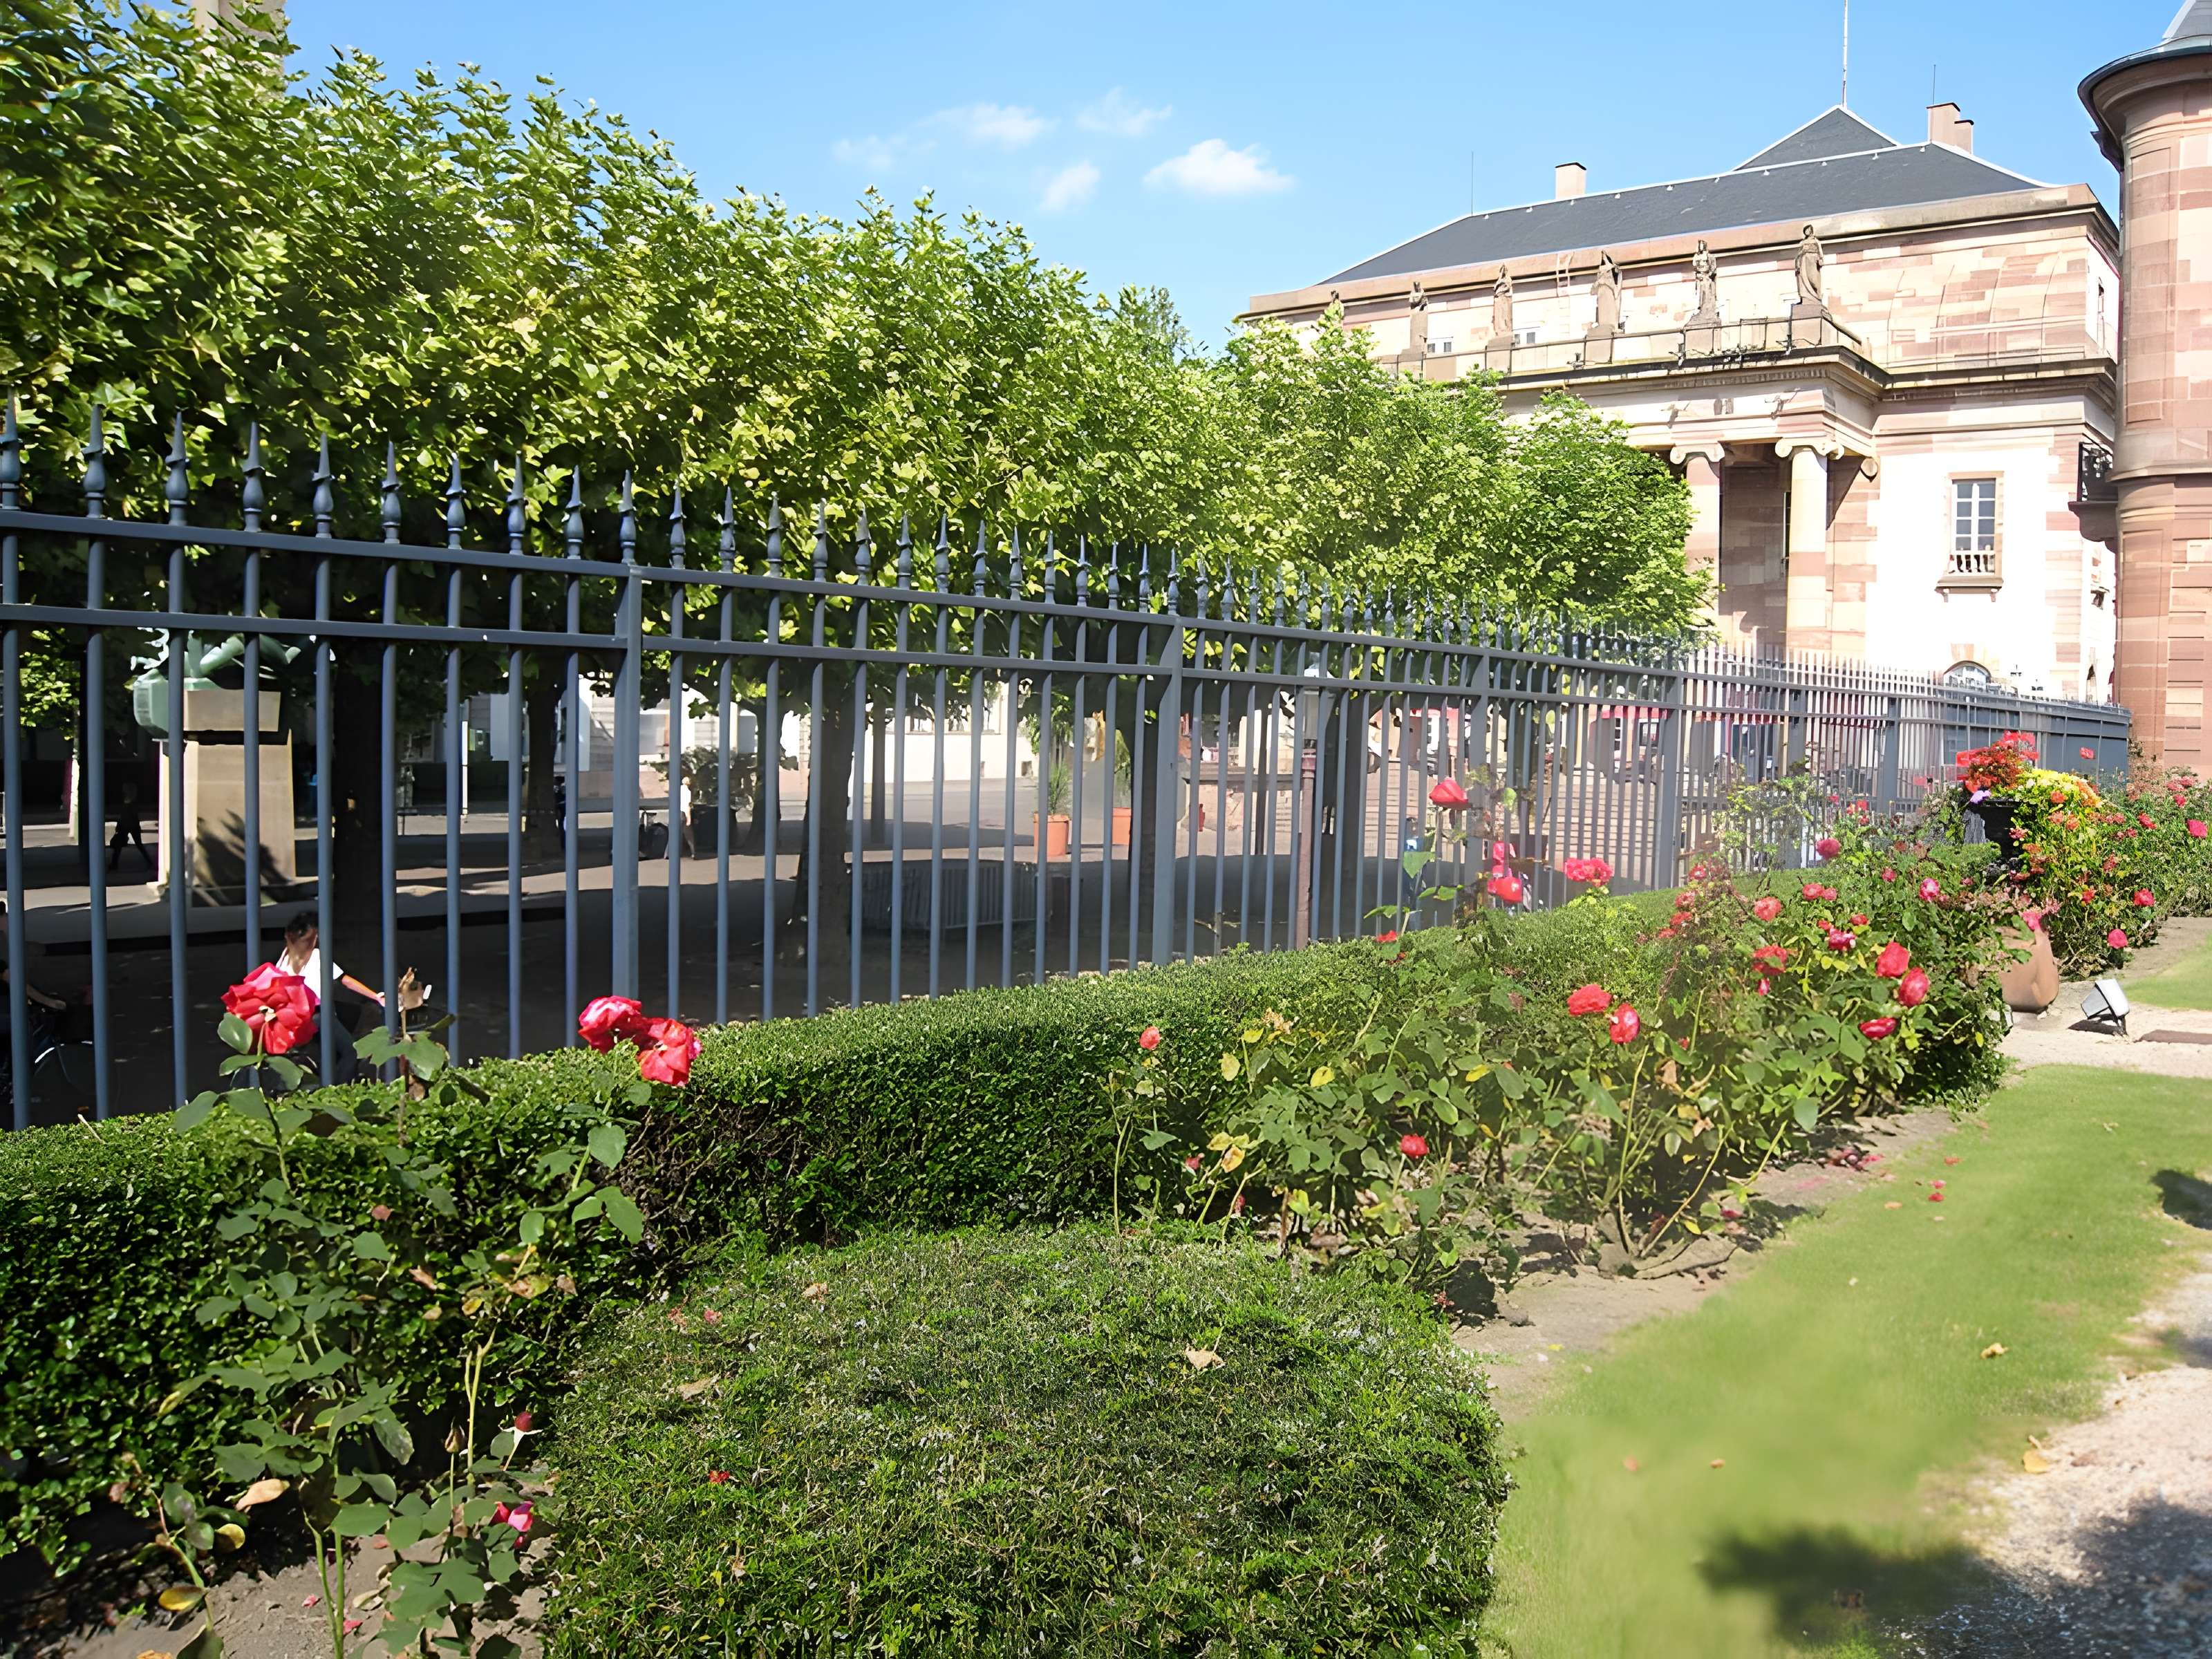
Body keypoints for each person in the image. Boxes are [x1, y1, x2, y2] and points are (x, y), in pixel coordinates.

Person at [274, 911, 384, 1030]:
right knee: (348, 1048)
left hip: (292, 1015)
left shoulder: (285, 957)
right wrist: (376, 996)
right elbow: (345, 980)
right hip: (316, 1014)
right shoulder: (316, 955)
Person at [107, 779, 151, 872]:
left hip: (128, 826)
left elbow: (128, 815)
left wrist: (120, 825)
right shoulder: (129, 801)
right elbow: (127, 815)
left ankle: (114, 864)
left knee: (122, 845)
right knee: (134, 845)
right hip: (129, 826)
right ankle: (115, 864)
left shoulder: (130, 802)